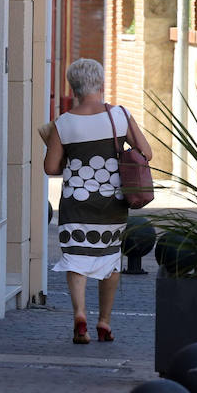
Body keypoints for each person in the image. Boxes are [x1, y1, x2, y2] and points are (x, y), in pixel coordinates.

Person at [42, 58, 153, 344]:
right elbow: (146, 152)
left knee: (76, 259)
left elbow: (51, 168)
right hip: (112, 202)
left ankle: (80, 315)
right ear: (100, 84)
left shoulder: (63, 124)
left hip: (76, 202)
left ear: (73, 87)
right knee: (110, 261)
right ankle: (104, 321)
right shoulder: (120, 116)